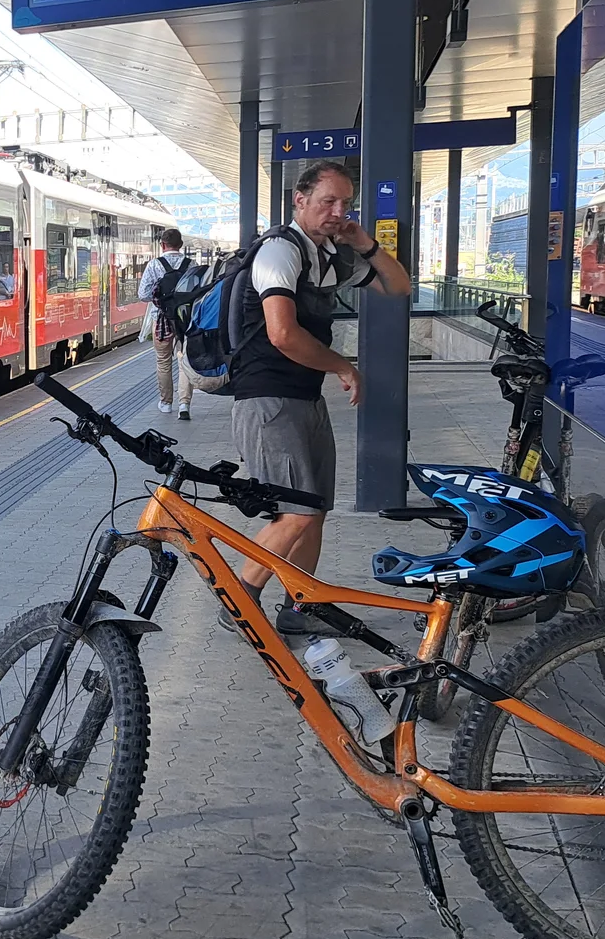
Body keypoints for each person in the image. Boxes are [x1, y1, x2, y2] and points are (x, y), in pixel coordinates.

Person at [220, 160, 411, 636]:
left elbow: (399, 286)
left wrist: (363, 242)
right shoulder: (280, 252)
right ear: (299, 200)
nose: (338, 211)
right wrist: (344, 366)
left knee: (314, 511)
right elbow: (282, 334)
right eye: (328, 201)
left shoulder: (328, 255)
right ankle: (237, 601)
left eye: (346, 203)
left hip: (303, 397)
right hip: (267, 398)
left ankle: (298, 607)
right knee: (297, 512)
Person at [138, 228, 196, 421]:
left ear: (162, 245)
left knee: (163, 361)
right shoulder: (191, 264)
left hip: (161, 320)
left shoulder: (154, 265)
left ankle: (165, 402)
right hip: (186, 321)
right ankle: (184, 404)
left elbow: (143, 294)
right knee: (184, 360)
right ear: (181, 245)